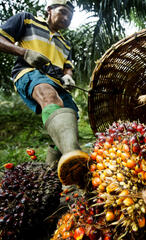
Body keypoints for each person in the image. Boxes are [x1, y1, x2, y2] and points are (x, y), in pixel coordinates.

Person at [0, 0, 88, 187]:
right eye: (63, 12)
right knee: (48, 95)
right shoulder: (26, 20)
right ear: (49, 10)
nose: (66, 18)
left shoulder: (66, 43)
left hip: (58, 84)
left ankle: (51, 177)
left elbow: (67, 67)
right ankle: (74, 157)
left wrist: (68, 77)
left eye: (70, 17)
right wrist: (24, 53)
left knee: (70, 118)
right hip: (29, 72)